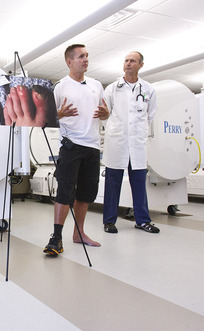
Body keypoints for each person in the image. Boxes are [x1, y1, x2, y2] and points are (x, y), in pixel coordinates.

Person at [43, 44, 109, 256]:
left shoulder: (96, 85)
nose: (86, 59)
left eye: (87, 56)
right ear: (69, 62)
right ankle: (56, 237)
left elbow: (104, 114)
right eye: (81, 56)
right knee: (65, 192)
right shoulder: (60, 87)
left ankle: (79, 233)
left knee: (86, 194)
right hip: (71, 146)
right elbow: (48, 119)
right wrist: (59, 114)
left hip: (92, 146)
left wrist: (106, 114)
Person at [102, 51, 160, 234]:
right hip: (117, 142)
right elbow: (104, 114)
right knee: (112, 183)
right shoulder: (112, 88)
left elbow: (150, 115)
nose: (128, 64)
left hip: (137, 144)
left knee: (139, 183)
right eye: (126, 60)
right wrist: (115, 129)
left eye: (132, 61)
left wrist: (137, 131)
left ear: (140, 65)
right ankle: (109, 221)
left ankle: (142, 220)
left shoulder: (148, 89)